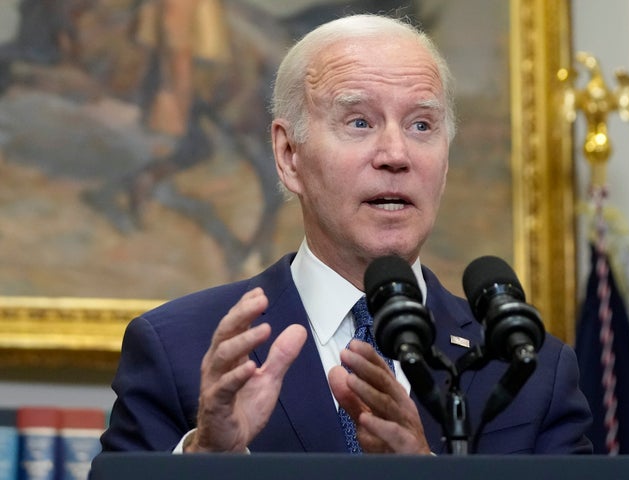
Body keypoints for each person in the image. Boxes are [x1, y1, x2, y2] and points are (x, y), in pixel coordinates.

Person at [100, 13, 592, 455]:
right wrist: (206, 463)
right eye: (359, 122)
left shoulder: (531, 370)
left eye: (422, 125)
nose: (396, 154)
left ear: (444, 164)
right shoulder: (179, 348)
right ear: (289, 155)